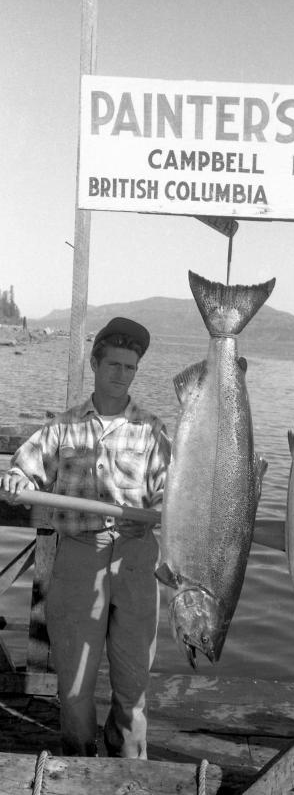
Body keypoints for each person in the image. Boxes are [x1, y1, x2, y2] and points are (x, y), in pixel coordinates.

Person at [0, 317, 171, 759]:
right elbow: (22, 470)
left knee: (133, 680)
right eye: (113, 364)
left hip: (136, 559)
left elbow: (169, 492)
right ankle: (79, 760)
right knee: (75, 682)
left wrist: (155, 515)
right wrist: (17, 480)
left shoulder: (152, 430)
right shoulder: (63, 427)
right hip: (79, 556)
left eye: (130, 367)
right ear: (95, 364)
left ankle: (129, 762)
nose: (121, 374)